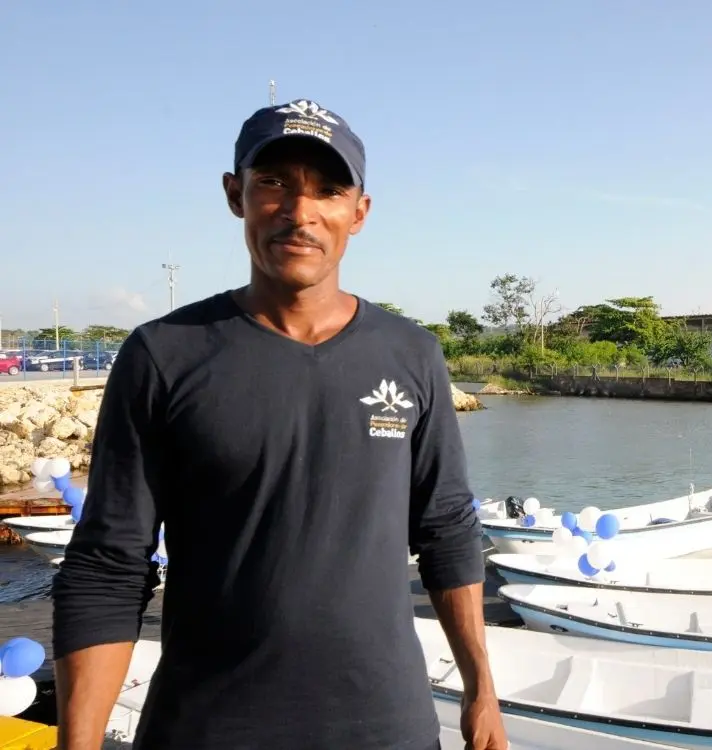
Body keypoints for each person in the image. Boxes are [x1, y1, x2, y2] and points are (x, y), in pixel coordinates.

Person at [51, 98, 507, 750]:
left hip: (388, 727)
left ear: (359, 213)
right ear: (235, 195)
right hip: (207, 728)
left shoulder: (411, 355)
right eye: (273, 183)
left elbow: (447, 528)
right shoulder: (164, 355)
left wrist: (480, 688)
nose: (300, 211)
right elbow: (109, 564)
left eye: (328, 190)